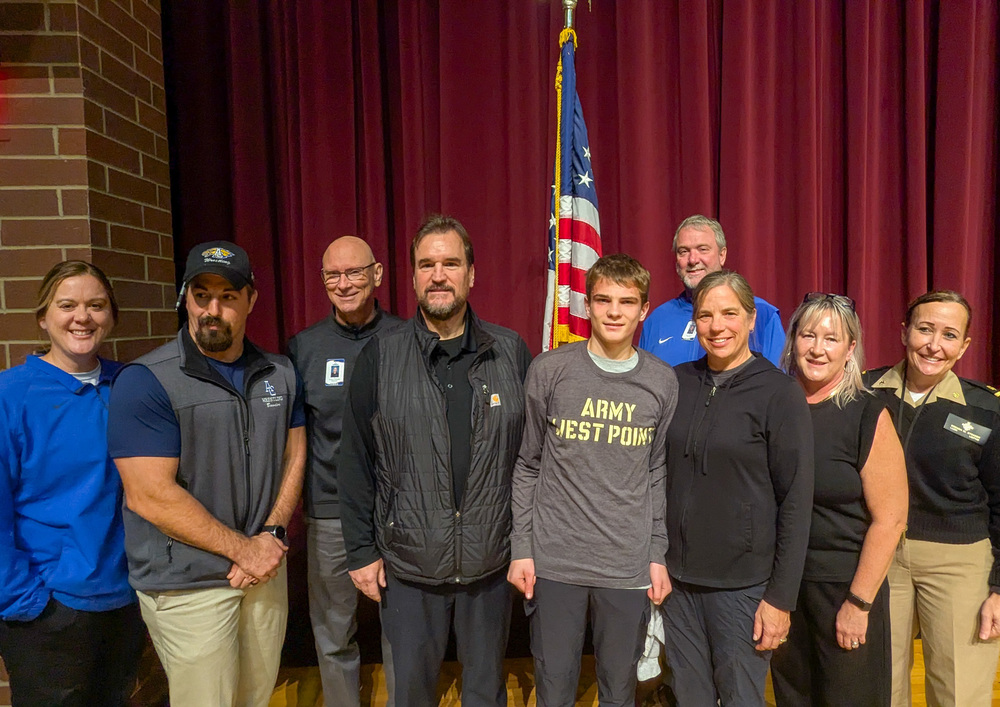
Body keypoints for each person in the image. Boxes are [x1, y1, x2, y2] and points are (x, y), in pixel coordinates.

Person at [339, 214, 533, 707]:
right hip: (409, 566)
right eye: (427, 264)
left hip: (490, 564)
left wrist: (526, 542)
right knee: (414, 695)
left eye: (451, 263)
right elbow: (356, 459)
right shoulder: (381, 355)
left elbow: (532, 460)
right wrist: (361, 551)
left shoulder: (509, 352)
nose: (439, 275)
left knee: (485, 693)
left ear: (472, 273)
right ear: (412, 276)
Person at [108, 241, 307, 707]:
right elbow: (149, 495)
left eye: (228, 296)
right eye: (201, 295)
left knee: (254, 698)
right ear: (186, 297)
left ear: (251, 300)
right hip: (189, 585)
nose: (212, 310)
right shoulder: (146, 381)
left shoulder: (279, 373)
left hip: (262, 571)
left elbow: (294, 456)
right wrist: (244, 549)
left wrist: (271, 533)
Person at [508, 253, 678, 706]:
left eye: (627, 302)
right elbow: (528, 465)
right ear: (587, 304)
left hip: (626, 566)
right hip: (555, 562)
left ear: (644, 309)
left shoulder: (662, 382)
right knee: (555, 685)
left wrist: (656, 554)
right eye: (603, 300)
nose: (614, 312)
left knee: (620, 690)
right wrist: (521, 548)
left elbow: (656, 471)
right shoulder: (550, 370)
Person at [662, 269, 814, 706]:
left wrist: (780, 599)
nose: (717, 326)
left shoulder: (779, 393)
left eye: (730, 313)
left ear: (751, 319)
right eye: (706, 315)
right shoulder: (677, 381)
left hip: (743, 588)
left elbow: (796, 501)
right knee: (689, 698)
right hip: (678, 583)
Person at [0, 261, 144, 707]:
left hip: (124, 600)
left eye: (96, 305)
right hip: (49, 606)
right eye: (67, 305)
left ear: (111, 317)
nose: (82, 317)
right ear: (44, 317)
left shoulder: (131, 387)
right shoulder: (11, 395)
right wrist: (25, 601)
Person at [770, 293, 908, 706]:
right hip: (782, 589)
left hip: (844, 590)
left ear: (850, 349)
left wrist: (858, 603)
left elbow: (891, 518)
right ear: (792, 339)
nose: (816, 348)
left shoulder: (867, 412)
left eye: (831, 339)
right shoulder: (774, 405)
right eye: (808, 335)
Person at [864, 290, 1000, 707]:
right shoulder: (866, 392)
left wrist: (999, 587)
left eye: (948, 335)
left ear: (964, 346)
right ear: (904, 332)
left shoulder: (985, 408)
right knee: (881, 687)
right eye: (924, 329)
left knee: (960, 691)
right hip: (880, 558)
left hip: (959, 561)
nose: (933, 345)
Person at [288, 236, 400, 707]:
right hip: (330, 510)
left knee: (402, 625)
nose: (344, 283)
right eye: (333, 275)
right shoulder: (304, 348)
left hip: (399, 511)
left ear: (377, 275)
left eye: (355, 272)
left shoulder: (406, 339)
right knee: (333, 628)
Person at [639, 214, 785, 366]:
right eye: (683, 251)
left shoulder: (762, 314)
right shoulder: (657, 320)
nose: (693, 260)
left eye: (703, 249)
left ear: (722, 255)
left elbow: (777, 383)